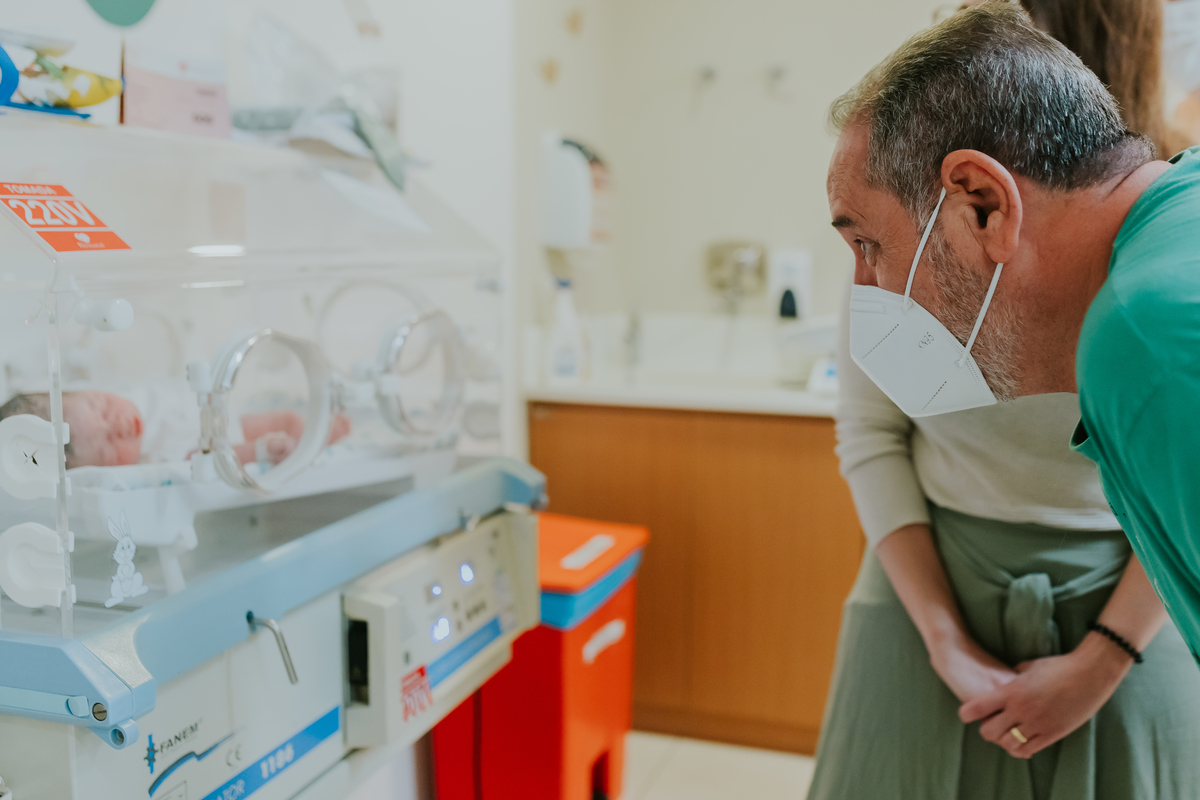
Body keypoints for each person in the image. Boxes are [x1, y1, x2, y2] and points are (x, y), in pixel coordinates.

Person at [808, 3, 1200, 796]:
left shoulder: (1139, 335)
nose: (865, 292)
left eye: (869, 247)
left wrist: (1109, 654)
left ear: (981, 202)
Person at [0, 389, 350, 469]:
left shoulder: (134, 398)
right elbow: (201, 461)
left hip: (220, 415)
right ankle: (326, 436)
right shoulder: (154, 462)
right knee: (284, 427)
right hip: (227, 438)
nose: (118, 424)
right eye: (108, 445)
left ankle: (327, 425)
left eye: (100, 405)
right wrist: (255, 452)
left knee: (285, 416)